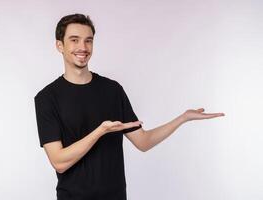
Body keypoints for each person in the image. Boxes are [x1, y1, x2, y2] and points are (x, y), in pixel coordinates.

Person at [34, 13, 225, 200]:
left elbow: (143, 141)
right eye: (74, 40)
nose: (83, 47)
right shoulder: (47, 98)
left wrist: (183, 118)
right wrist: (99, 132)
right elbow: (59, 162)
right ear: (60, 45)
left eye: (88, 40)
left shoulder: (112, 90)